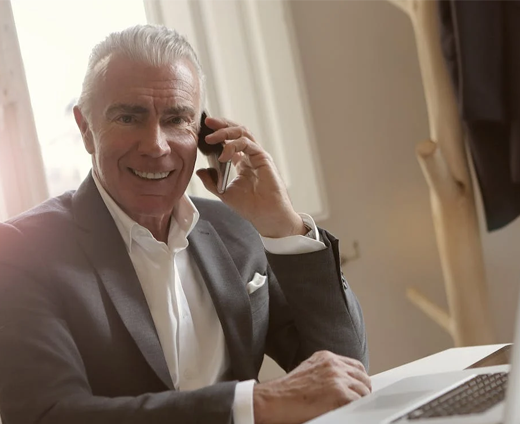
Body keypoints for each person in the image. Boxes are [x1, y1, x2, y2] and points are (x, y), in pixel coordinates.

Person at [0, 25, 370, 424]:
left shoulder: (237, 232)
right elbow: (47, 415)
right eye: (128, 117)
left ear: (204, 134)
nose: (156, 145)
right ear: (87, 129)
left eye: (177, 119)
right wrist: (252, 404)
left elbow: (346, 371)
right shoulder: (20, 253)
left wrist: (283, 226)